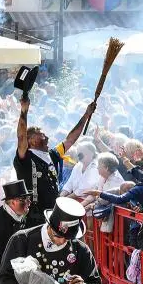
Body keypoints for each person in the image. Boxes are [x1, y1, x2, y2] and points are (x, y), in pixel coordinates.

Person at [15, 96, 96, 226]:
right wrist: (24, 111)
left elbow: (70, 139)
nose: (46, 137)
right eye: (42, 134)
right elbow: (20, 136)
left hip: (52, 214)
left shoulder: (52, 154)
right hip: (34, 216)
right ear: (31, 140)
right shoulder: (25, 157)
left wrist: (86, 115)